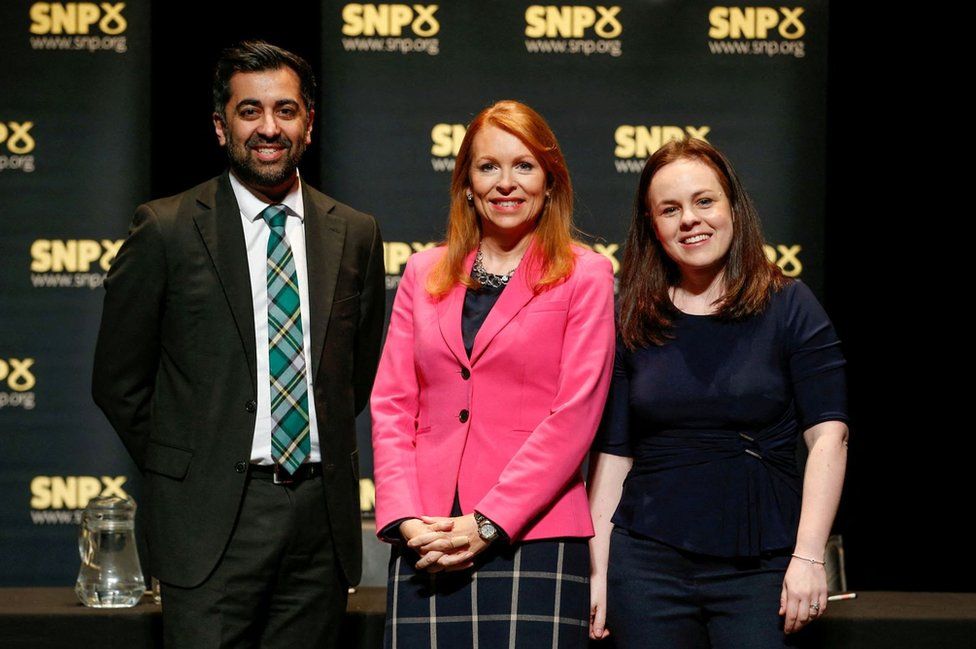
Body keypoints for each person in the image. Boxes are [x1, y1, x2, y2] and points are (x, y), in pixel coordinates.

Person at [91, 41, 384, 649]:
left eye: (285, 110)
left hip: (318, 518)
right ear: (221, 127)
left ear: (309, 123)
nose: (269, 128)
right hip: (208, 521)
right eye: (250, 112)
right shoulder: (166, 227)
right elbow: (119, 381)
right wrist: (191, 464)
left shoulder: (354, 232)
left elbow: (356, 373)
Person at [370, 100, 615, 648]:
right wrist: (408, 520)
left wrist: (487, 523)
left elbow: (574, 416)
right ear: (466, 184)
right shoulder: (421, 272)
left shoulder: (587, 275)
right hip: (428, 538)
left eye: (524, 166)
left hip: (535, 535)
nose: (506, 183)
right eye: (488, 167)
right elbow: (391, 405)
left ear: (550, 182)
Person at [588, 138, 849, 648]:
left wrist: (809, 556)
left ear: (733, 206)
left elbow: (830, 438)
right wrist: (597, 571)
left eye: (704, 201)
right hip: (645, 566)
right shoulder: (632, 317)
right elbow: (614, 454)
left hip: (762, 566)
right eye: (670, 209)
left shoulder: (790, 306)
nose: (690, 219)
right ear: (652, 226)